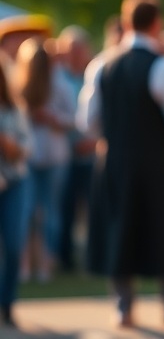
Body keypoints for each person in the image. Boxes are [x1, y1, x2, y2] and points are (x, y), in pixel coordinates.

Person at [78, 0, 164, 328]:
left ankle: (123, 307)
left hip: (114, 162)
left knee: (119, 229)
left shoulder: (101, 65)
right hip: (158, 163)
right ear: (157, 23)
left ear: (126, 23)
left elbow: (88, 122)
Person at [12, 37, 74, 284]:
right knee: (27, 211)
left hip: (54, 155)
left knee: (49, 212)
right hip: (28, 156)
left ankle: (46, 262)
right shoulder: (17, 84)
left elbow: (72, 120)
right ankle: (26, 263)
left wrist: (50, 119)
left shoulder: (60, 84)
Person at [53, 25, 97, 273]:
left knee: (92, 209)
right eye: (71, 49)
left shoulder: (93, 75)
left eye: (79, 49)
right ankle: (64, 258)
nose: (76, 54)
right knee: (66, 209)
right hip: (65, 154)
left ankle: (90, 259)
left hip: (90, 153)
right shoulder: (56, 77)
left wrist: (92, 142)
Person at [0, 52, 31, 327]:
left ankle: (7, 303)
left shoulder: (14, 109)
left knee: (13, 243)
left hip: (14, 183)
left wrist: (9, 145)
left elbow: (25, 150)